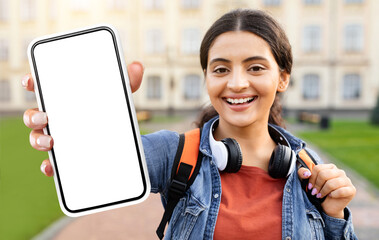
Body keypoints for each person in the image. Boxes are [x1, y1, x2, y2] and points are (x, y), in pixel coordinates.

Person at [22, 9, 357, 240]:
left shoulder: (309, 170)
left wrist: (335, 214)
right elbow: (99, 171)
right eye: (221, 69)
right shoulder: (176, 152)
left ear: (282, 78)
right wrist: (80, 118)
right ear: (207, 78)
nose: (237, 83)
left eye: (255, 68)